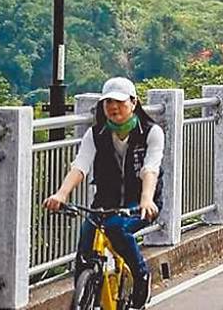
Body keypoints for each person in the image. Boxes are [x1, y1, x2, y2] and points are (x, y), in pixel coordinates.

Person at [43, 77, 162, 309]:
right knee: (84, 253)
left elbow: (151, 168)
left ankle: (141, 275)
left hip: (140, 201)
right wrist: (61, 194)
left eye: (118, 102)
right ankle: (83, 299)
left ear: (134, 102)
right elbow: (80, 167)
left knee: (117, 229)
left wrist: (146, 199)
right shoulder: (96, 134)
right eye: (108, 102)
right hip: (103, 203)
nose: (113, 107)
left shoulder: (150, 132)